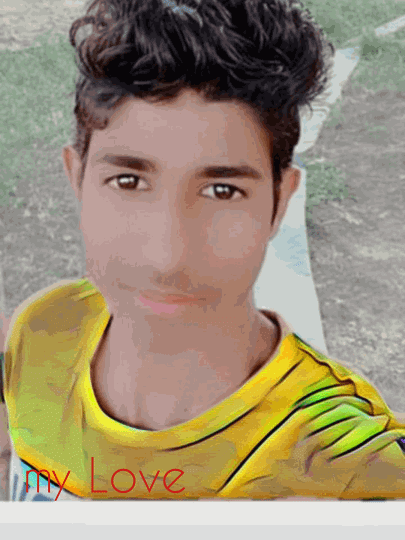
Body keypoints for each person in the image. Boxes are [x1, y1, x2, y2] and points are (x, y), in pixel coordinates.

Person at [1, 0, 405, 502]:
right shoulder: (44, 327)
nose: (166, 257)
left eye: (222, 191)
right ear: (77, 179)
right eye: (128, 182)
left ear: (279, 202)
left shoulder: (342, 464)